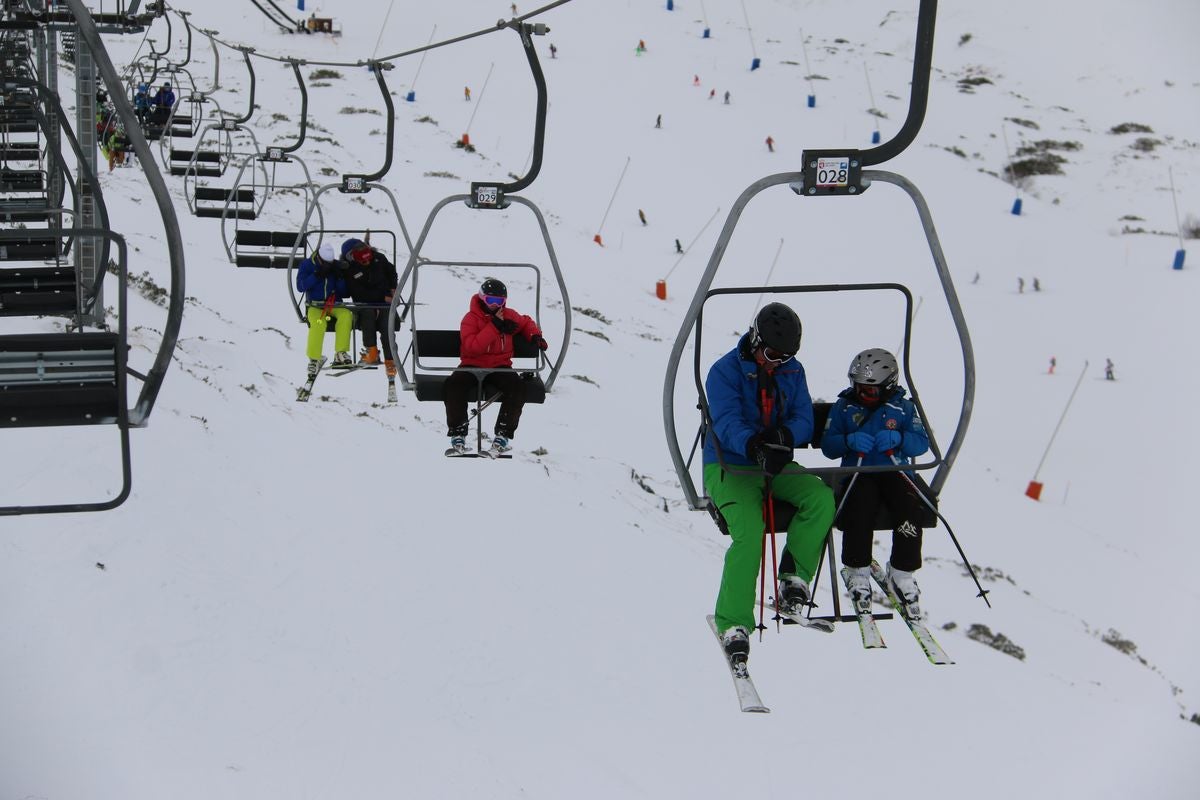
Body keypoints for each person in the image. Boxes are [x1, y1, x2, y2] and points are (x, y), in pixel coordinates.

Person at [704, 303, 835, 662]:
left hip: (774, 465)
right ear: (755, 340)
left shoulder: (792, 371)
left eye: (785, 356)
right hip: (730, 466)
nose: (777, 362)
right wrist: (755, 444)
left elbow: (804, 418)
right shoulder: (724, 371)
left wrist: (783, 434)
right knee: (750, 528)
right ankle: (733, 621)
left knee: (820, 498)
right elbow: (726, 420)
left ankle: (793, 579)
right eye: (772, 354)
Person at [821, 348, 930, 617]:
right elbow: (828, 446)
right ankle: (857, 569)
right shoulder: (844, 407)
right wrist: (848, 441)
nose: (863, 395)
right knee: (861, 505)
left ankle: (903, 571)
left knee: (909, 505)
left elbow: (921, 442)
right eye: (858, 388)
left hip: (894, 470)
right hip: (859, 473)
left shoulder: (902, 408)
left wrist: (900, 440)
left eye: (870, 391)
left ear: (887, 386)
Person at [444, 278, 548, 457]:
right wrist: (494, 327)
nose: (494, 305)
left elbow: (525, 322)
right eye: (491, 300)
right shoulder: (470, 319)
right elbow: (473, 347)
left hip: (500, 366)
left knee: (517, 387)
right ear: (482, 298)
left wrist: (535, 336)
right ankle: (458, 434)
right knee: (454, 385)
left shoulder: (508, 315)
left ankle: (502, 436)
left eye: (499, 302)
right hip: (471, 364)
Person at [341, 238, 398, 378]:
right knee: (368, 318)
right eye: (362, 260)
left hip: (385, 304)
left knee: (387, 327)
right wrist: (383, 297)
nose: (366, 262)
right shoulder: (350, 269)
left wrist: (393, 288)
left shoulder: (378, 258)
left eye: (367, 258)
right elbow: (358, 293)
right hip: (365, 303)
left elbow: (391, 272)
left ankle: (390, 360)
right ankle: (371, 352)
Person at [295, 241, 354, 377]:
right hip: (316, 305)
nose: (327, 265)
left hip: (334, 303)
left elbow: (345, 293)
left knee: (346, 315)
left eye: (330, 263)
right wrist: (316, 275)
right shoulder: (307, 265)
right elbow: (300, 286)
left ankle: (341, 352)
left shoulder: (334, 266)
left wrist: (340, 277)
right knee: (317, 323)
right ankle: (315, 359)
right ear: (319, 258)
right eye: (325, 263)